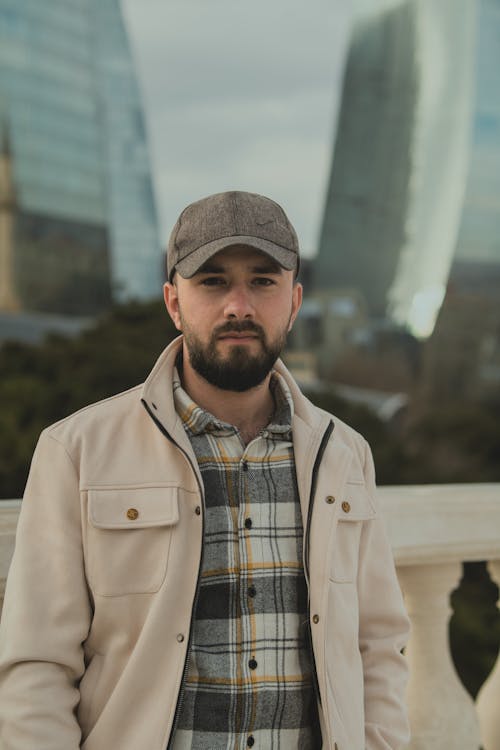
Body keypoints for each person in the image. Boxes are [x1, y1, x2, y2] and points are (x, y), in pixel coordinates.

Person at [0, 191, 410, 750]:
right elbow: (36, 663)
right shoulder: (76, 450)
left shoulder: (345, 454)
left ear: (294, 302)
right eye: (213, 281)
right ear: (173, 301)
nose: (238, 306)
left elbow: (380, 643)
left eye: (263, 282)